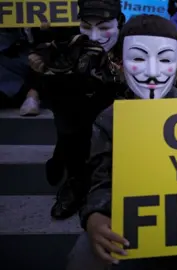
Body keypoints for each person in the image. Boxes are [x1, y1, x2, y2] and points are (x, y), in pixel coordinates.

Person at [67, 14, 177, 270]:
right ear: (119, 63)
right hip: (134, 219)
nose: (153, 71)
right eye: (138, 58)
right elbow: (102, 179)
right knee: (83, 258)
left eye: (165, 60)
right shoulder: (109, 120)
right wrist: (95, 217)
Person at [29, 0, 124, 219]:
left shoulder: (133, 44)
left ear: (119, 23)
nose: (94, 36)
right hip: (79, 127)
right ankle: (76, 178)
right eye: (86, 27)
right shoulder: (67, 47)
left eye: (104, 28)